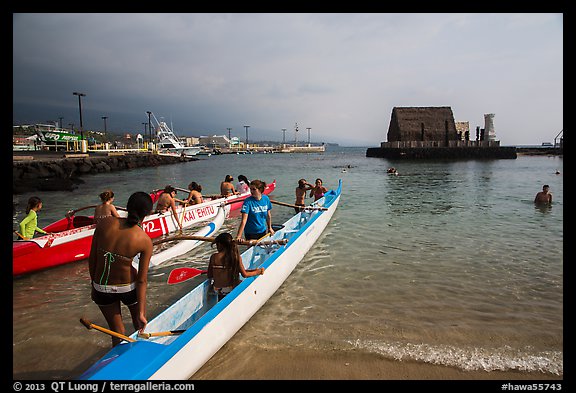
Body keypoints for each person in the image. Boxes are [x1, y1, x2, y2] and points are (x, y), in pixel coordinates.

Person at [88, 191, 153, 347]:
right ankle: (139, 356)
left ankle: (118, 361)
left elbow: (92, 259)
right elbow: (142, 280)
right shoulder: (144, 240)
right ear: (148, 213)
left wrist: (94, 285)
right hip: (128, 288)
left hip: (101, 287)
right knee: (139, 326)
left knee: (117, 332)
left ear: (127, 207)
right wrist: (142, 313)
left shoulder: (104, 224)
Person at [207, 232, 265, 300]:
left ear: (220, 244)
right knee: (241, 282)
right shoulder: (235, 257)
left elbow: (210, 275)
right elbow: (245, 274)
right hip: (231, 289)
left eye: (216, 245)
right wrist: (258, 272)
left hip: (217, 290)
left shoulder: (213, 257)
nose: (217, 247)